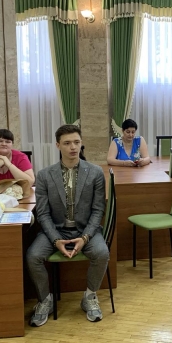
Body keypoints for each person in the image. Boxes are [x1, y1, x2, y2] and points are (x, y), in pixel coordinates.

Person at [26, 124, 110, 327]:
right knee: (33, 256)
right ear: (58, 145)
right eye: (67, 143)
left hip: (85, 229)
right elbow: (43, 213)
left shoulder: (95, 172)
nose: (73, 147)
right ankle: (45, 300)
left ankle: (89, 296)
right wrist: (56, 240)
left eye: (76, 142)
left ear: (81, 143)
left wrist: (85, 237)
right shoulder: (45, 175)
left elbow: (98, 210)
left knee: (102, 253)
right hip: (55, 229)